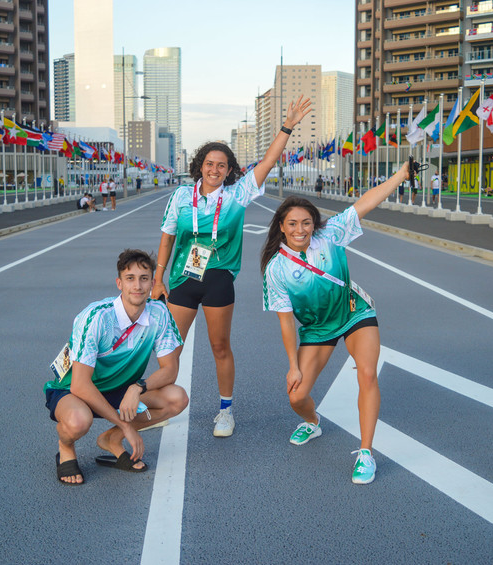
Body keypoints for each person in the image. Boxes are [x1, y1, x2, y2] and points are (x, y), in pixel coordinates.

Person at [152, 96, 313, 438]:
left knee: (220, 346)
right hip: (183, 277)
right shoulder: (181, 197)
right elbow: (167, 237)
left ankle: (225, 410)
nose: (214, 170)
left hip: (219, 278)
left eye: (222, 165)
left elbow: (269, 161)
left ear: (229, 170)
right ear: (200, 165)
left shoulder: (238, 195)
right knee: (169, 348)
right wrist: (158, 278)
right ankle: (158, 407)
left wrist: (287, 126)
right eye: (209, 164)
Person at [259, 161, 411, 484]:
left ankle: (366, 454)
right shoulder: (276, 270)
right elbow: (286, 322)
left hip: (354, 311)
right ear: (282, 227)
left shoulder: (331, 235)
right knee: (297, 397)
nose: (300, 230)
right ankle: (313, 422)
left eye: (306, 223)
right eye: (293, 224)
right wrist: (292, 365)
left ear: (314, 224)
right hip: (317, 328)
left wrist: (400, 175)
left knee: (367, 374)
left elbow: (366, 202)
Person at [44, 249, 188, 485]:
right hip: (75, 390)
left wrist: (137, 388)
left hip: (121, 390)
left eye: (144, 279)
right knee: (78, 421)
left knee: (177, 398)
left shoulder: (159, 314)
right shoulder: (96, 317)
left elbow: (170, 370)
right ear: (119, 283)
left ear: (153, 283)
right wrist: (127, 425)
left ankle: (111, 439)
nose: (138, 286)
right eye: (130, 279)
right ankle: (66, 446)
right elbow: (81, 384)